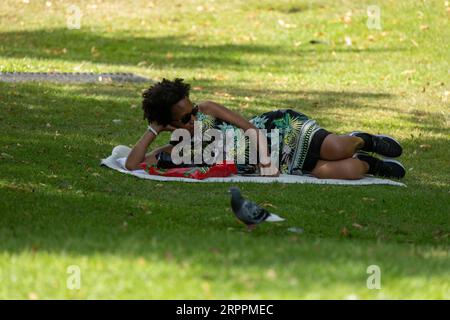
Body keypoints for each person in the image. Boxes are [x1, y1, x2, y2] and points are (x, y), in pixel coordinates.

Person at [125, 78, 405, 180]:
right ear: (170, 125)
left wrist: (265, 159)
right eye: (186, 118)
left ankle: (363, 141)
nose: (194, 119)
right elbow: (132, 164)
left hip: (279, 131)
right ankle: (370, 164)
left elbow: (249, 127)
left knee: (337, 148)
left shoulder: (208, 109)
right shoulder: (177, 150)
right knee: (344, 171)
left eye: (193, 109)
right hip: (281, 163)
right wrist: (152, 130)